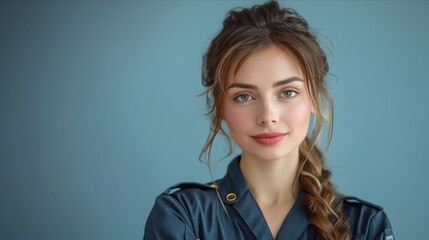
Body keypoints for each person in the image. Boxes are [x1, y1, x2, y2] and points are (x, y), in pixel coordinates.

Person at [143, 1, 394, 239]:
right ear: (220, 107)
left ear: (315, 100)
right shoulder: (182, 215)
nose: (267, 116)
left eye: (287, 93)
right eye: (244, 96)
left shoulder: (365, 225)